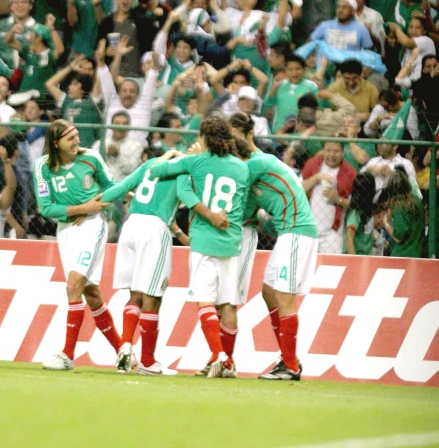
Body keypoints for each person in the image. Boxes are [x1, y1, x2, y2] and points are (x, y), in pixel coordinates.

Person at [99, 148, 228, 375]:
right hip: (153, 230)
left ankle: (126, 346)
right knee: (152, 296)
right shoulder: (184, 170)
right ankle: (148, 362)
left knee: (135, 293)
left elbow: (119, 188)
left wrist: (94, 204)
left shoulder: (149, 165)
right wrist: (209, 215)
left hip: (131, 226)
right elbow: (186, 197)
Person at [149, 115, 250, 378]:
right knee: (228, 303)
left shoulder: (196, 162)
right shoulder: (242, 168)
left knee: (205, 300)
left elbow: (156, 171)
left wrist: (182, 157)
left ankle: (218, 355)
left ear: (204, 138)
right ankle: (229, 363)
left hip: (204, 240)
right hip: (231, 240)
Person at [33, 119, 121, 371]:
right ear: (55, 143)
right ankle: (123, 351)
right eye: (70, 138)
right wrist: (83, 207)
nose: (77, 141)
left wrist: (96, 207)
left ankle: (67, 355)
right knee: (91, 294)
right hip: (66, 230)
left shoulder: (91, 158)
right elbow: (46, 207)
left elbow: (112, 188)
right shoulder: (42, 167)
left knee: (73, 285)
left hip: (93, 226)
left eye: (76, 135)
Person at [241, 127, 319, 381]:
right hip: (288, 232)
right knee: (268, 292)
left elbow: (233, 182)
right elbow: (245, 212)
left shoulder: (256, 163)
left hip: (296, 231)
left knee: (284, 296)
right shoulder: (254, 175)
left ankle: (290, 365)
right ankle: (288, 358)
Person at [302, 141, 357, 254]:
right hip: (307, 229)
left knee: (332, 266)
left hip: (333, 233)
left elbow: (354, 203)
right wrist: (317, 177)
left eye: (336, 151)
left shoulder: (350, 172)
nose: (332, 155)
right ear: (323, 151)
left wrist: (337, 199)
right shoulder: (313, 164)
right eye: (328, 150)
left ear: (343, 152)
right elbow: (298, 190)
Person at [383, 169, 425, 257]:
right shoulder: (417, 201)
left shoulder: (399, 206)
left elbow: (398, 238)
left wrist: (386, 223)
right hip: (418, 251)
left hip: (402, 254)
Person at [343, 173, 376, 255]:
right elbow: (349, 238)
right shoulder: (355, 213)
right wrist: (354, 261)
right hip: (356, 257)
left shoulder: (368, 210)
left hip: (366, 257)